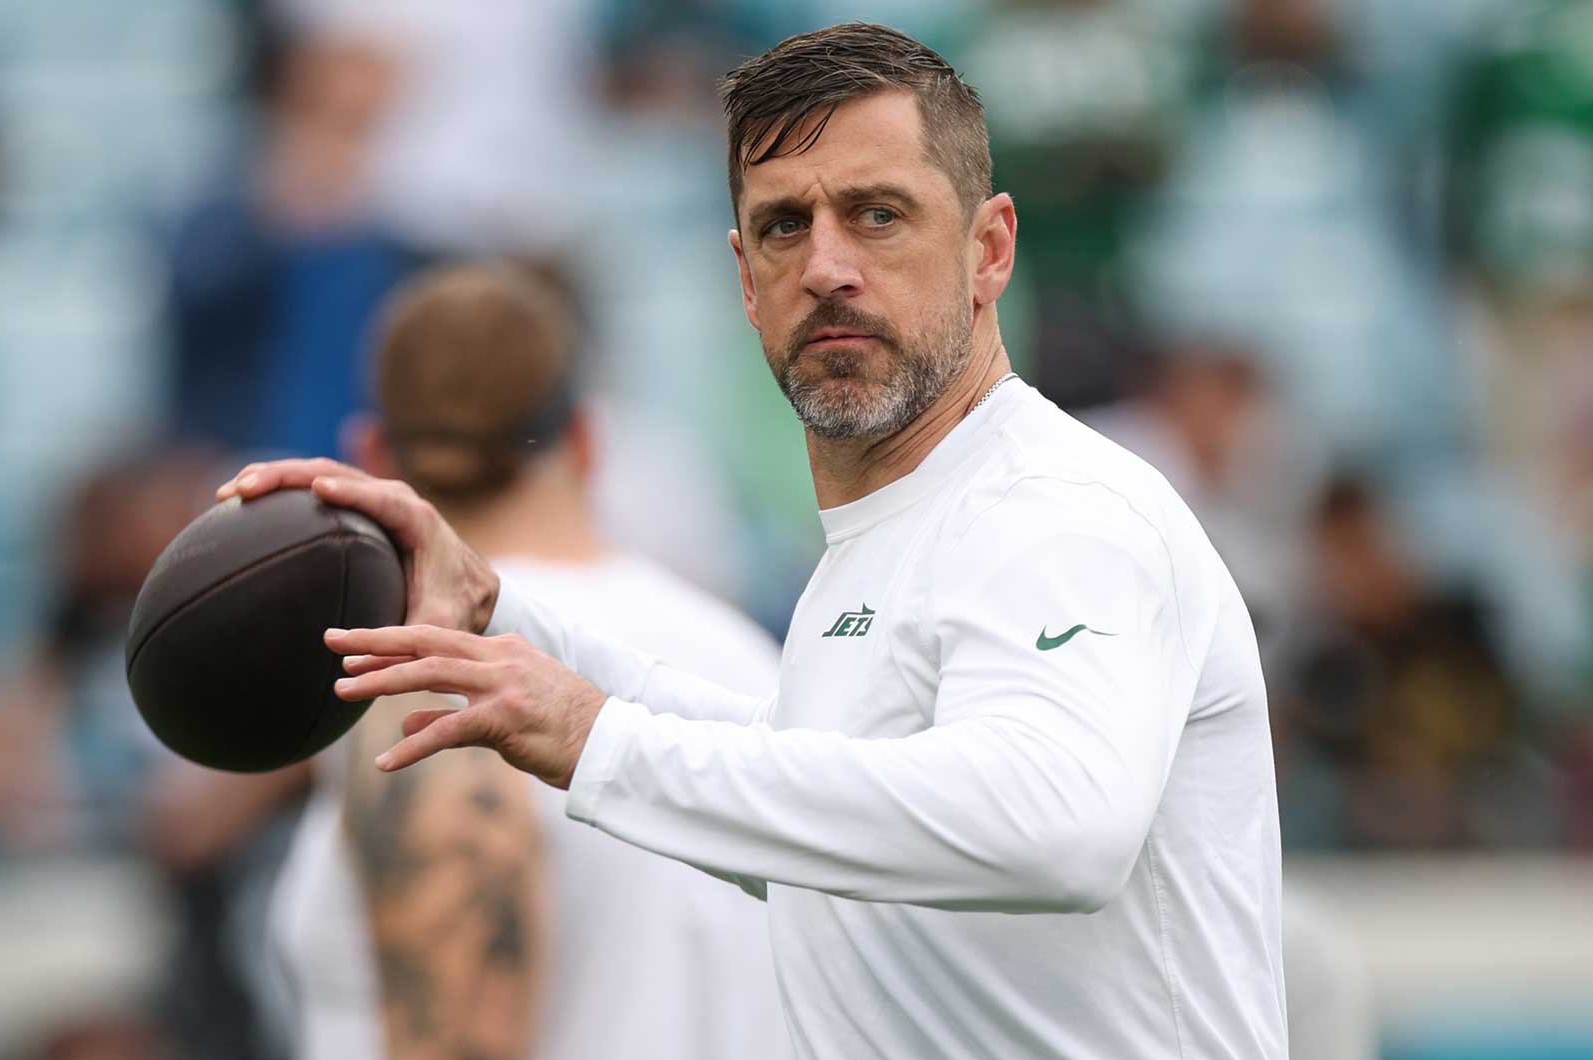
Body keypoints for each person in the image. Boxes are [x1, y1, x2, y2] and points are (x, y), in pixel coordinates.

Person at [226, 23, 1286, 1059]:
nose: (826, 265)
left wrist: (602, 739)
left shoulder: (1061, 507)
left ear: (990, 249)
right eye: (785, 225)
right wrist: (500, 608)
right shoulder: (881, 545)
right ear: (743, 278)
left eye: (877, 215)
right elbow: (810, 798)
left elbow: (1058, 825)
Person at [266, 262, 792, 1060]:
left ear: (372, 457)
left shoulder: (424, 676)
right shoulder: (749, 661)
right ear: (585, 439)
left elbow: (457, 1036)